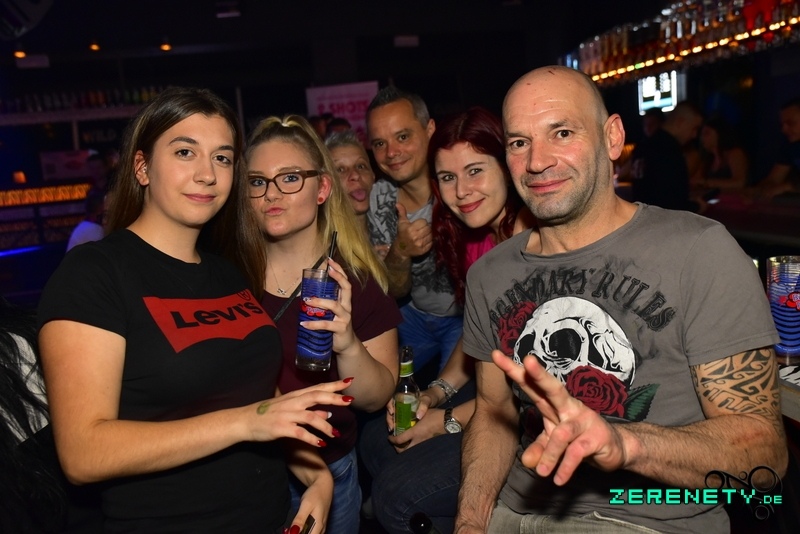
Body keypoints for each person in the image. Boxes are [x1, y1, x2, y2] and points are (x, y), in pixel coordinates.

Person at [455, 66, 787, 534]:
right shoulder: (490, 273)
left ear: (612, 138)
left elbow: (764, 456)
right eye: (519, 142)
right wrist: (470, 521)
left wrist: (625, 444)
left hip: (643, 520)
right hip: (515, 513)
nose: (537, 161)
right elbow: (493, 414)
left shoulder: (698, 250)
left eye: (562, 133)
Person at [37, 87, 353, 533]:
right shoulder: (94, 273)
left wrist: (316, 476)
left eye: (222, 158)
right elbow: (83, 454)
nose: (207, 174)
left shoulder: (229, 273)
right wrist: (245, 423)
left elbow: (262, 399)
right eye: (185, 152)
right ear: (142, 167)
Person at [360, 107, 534, 534]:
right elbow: (477, 333)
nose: (461, 191)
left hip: (533, 414)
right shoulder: (473, 236)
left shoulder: (531, 242)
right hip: (495, 387)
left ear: (507, 166)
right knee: (376, 441)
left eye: (475, 171)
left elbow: (527, 393)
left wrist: (445, 421)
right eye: (448, 177)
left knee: (396, 497)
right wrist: (435, 393)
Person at [239, 114, 401, 534]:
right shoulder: (227, 276)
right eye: (257, 182)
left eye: (290, 178)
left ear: (323, 189)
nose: (271, 193)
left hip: (331, 469)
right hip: (244, 469)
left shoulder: (356, 279)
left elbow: (376, 398)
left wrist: (346, 343)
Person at [366, 86, 461, 374]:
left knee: (452, 397)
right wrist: (401, 250)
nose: (391, 153)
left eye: (403, 137)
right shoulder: (379, 197)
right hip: (411, 316)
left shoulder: (461, 188)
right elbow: (394, 290)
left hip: (465, 320)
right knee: (380, 387)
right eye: (379, 143)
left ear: (430, 129)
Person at [630, 100, 703, 211]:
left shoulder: (643, 147)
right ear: (680, 122)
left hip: (642, 216)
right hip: (662, 219)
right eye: (694, 128)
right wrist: (697, 206)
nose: (694, 135)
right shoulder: (670, 151)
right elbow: (672, 203)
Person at [325, 130, 375, 235]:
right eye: (340, 170)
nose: (355, 175)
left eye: (361, 166)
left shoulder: (391, 227)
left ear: (373, 175)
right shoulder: (323, 241)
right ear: (324, 184)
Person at [751, 97, 800, 199]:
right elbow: (774, 179)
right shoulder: (790, 145)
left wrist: (786, 187)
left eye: (790, 123)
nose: (784, 129)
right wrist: (762, 189)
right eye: (782, 124)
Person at [690, 116, 749, 191]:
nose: (702, 138)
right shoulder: (706, 160)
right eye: (701, 134)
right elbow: (696, 180)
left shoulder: (735, 153)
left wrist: (706, 183)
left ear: (719, 133)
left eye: (706, 133)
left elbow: (740, 182)